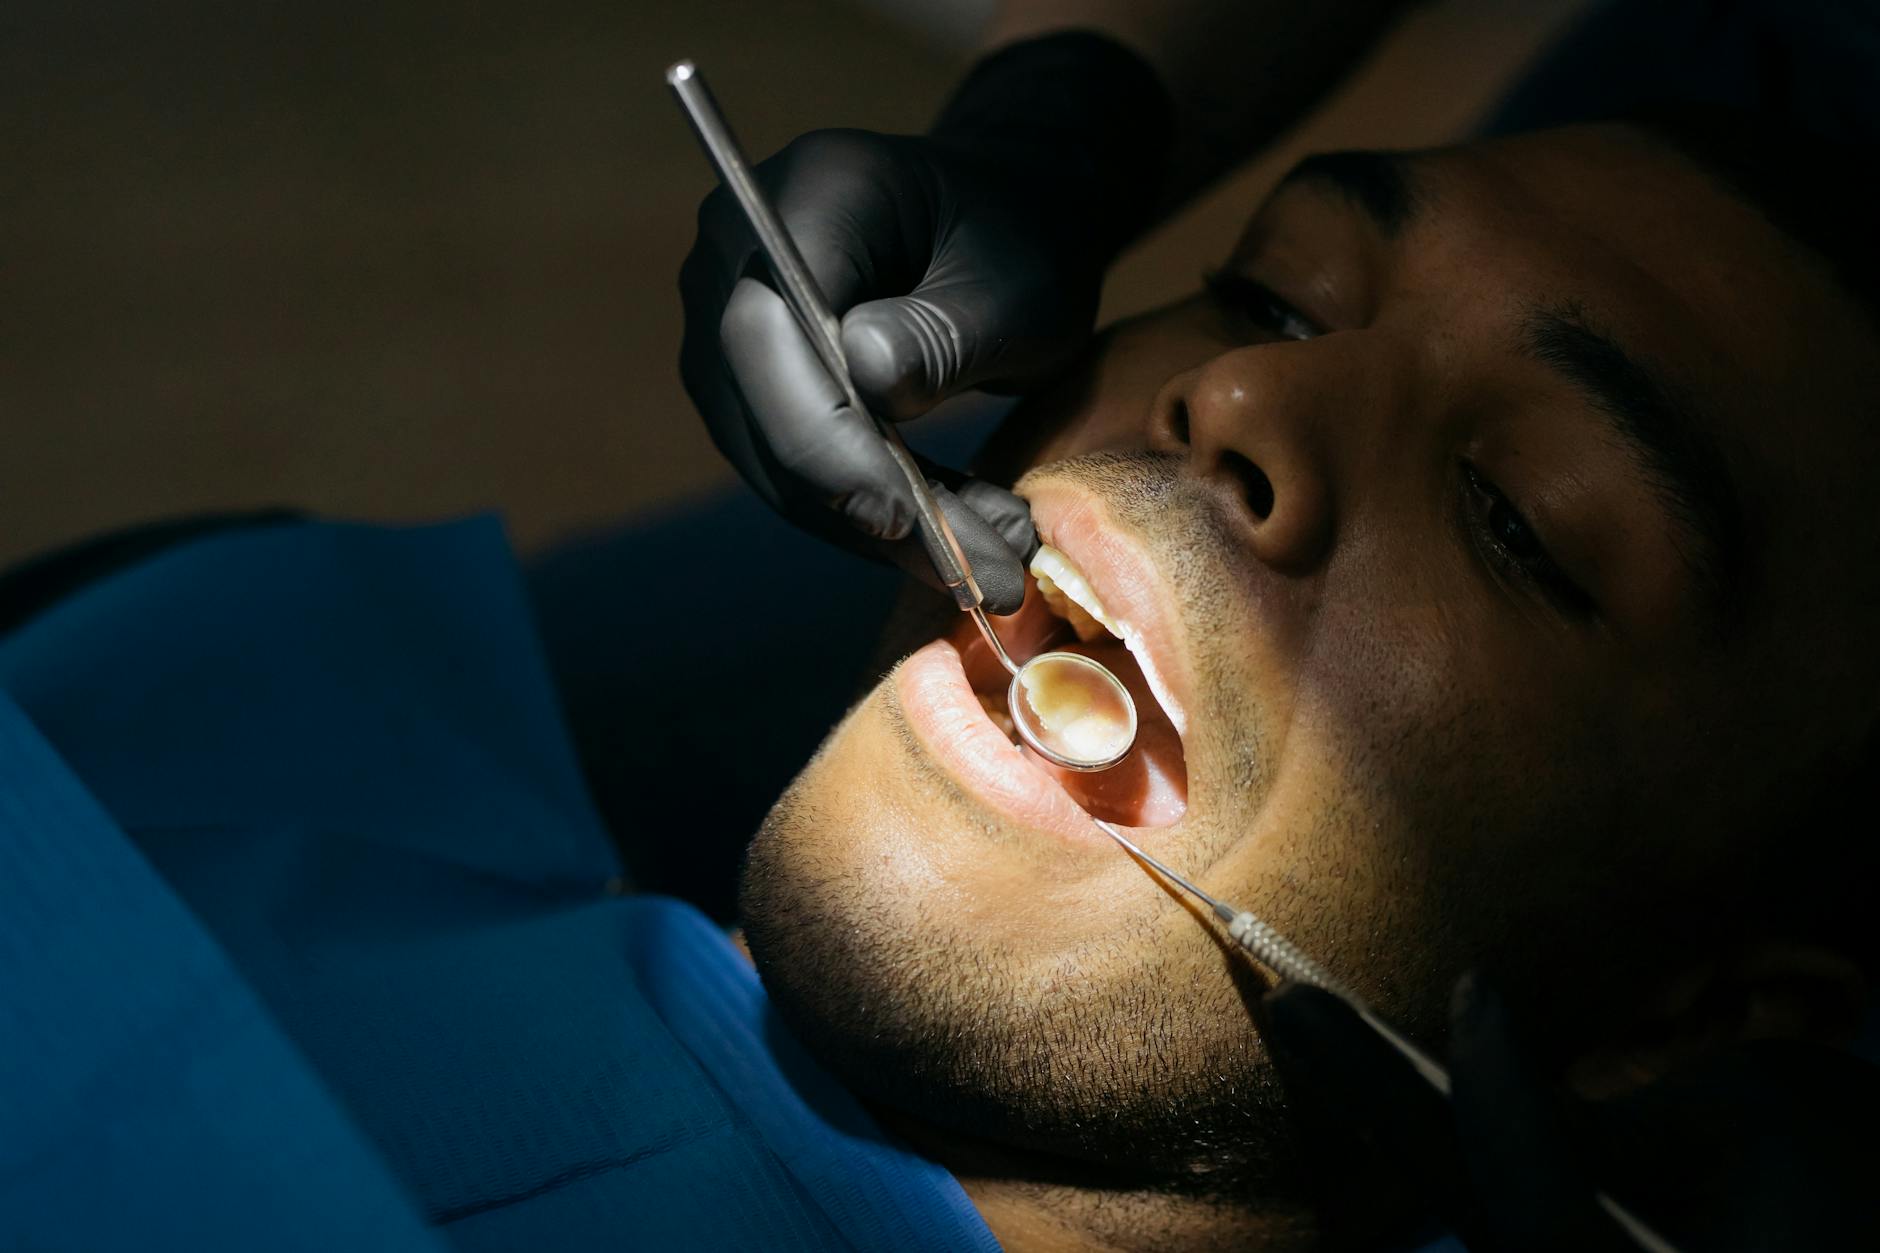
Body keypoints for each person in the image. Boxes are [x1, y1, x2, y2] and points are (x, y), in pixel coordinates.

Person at [4, 5, 1879, 1253]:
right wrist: (1068, 113)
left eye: (1522, 519)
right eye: (1274, 293)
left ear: (1690, 1030)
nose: (1241, 396)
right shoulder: (206, 700)